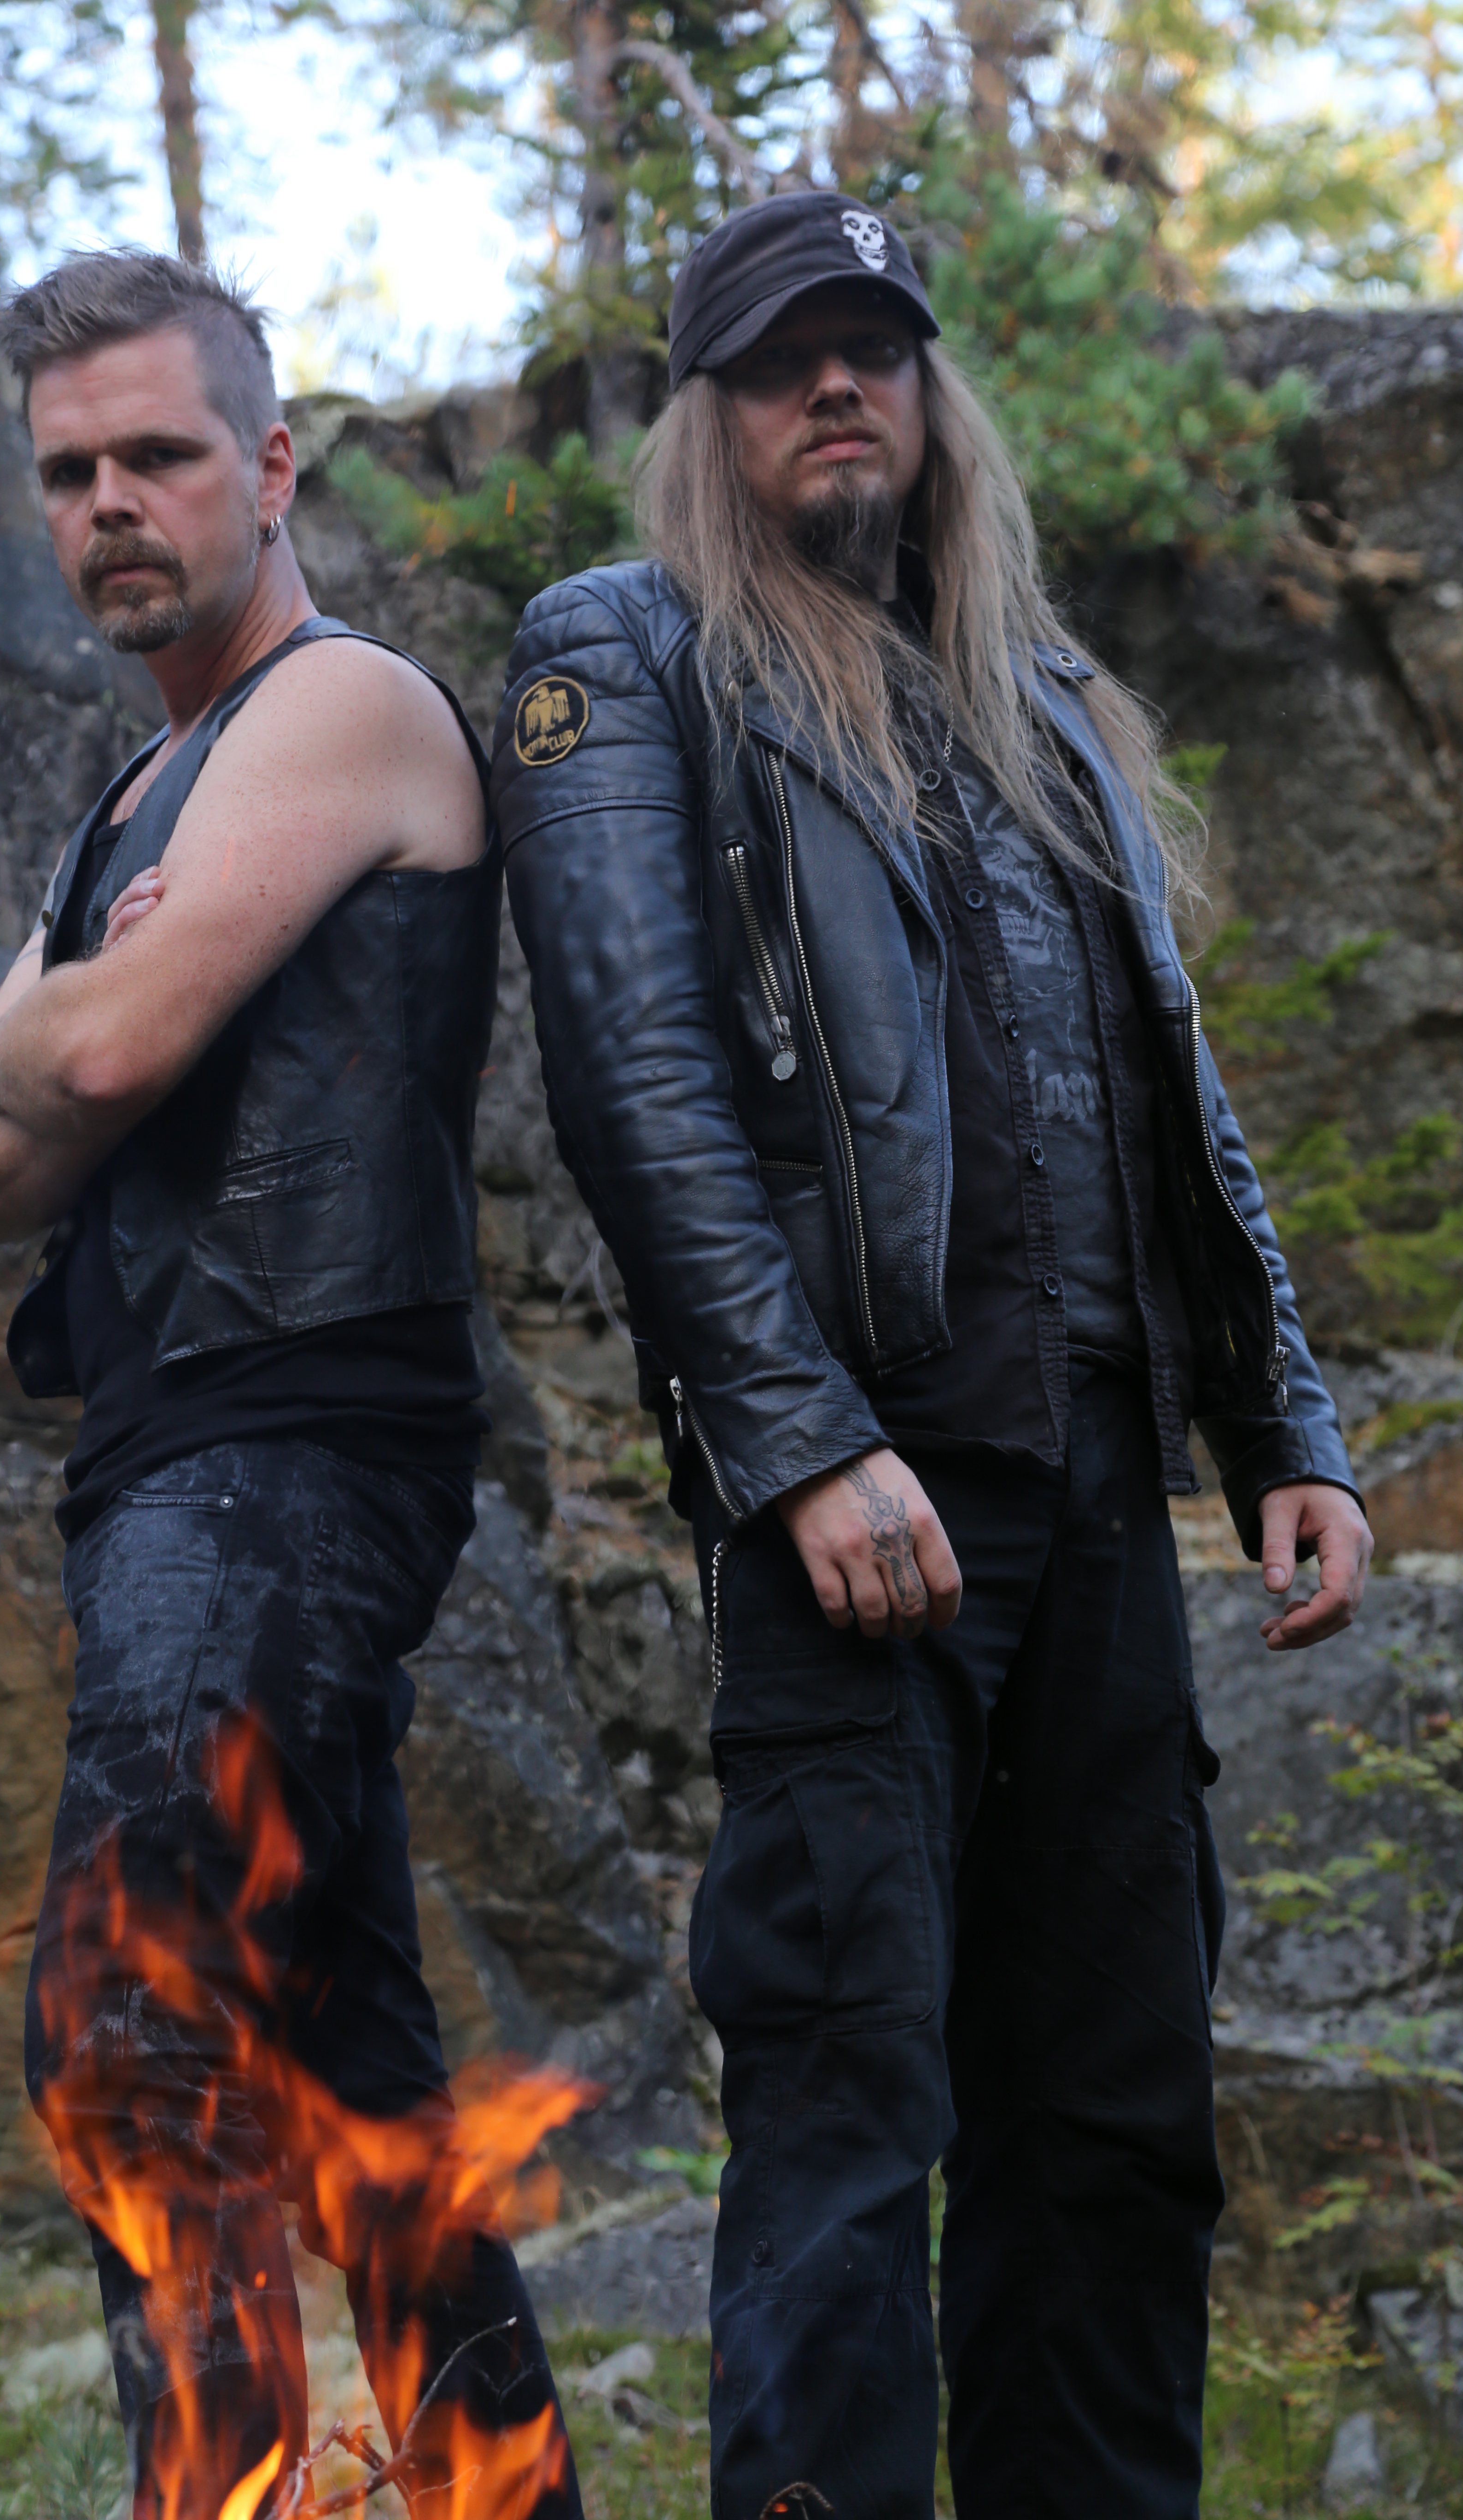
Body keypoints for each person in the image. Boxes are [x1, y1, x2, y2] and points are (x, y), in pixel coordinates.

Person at [492, 191, 1372, 2520]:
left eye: (875, 345)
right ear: (709, 411)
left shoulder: (1045, 699)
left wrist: (1279, 1417)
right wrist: (798, 1447)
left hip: (1097, 1504)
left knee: (1113, 2121)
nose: (838, 384)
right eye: (784, 355)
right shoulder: (626, 653)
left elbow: (1174, 1082)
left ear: (930, 387)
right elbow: (636, 1087)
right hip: (860, 1511)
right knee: (848, 2103)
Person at [0, 250, 579, 2520]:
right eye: (69, 473)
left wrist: (72, 1019)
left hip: (282, 1453)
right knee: (353, 2092)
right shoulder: (142, 793)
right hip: (180, 1468)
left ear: (273, 464)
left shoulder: (342, 706)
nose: (110, 503)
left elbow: (87, 1060)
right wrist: (83, 1019)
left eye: (159, 454)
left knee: (135, 2027)